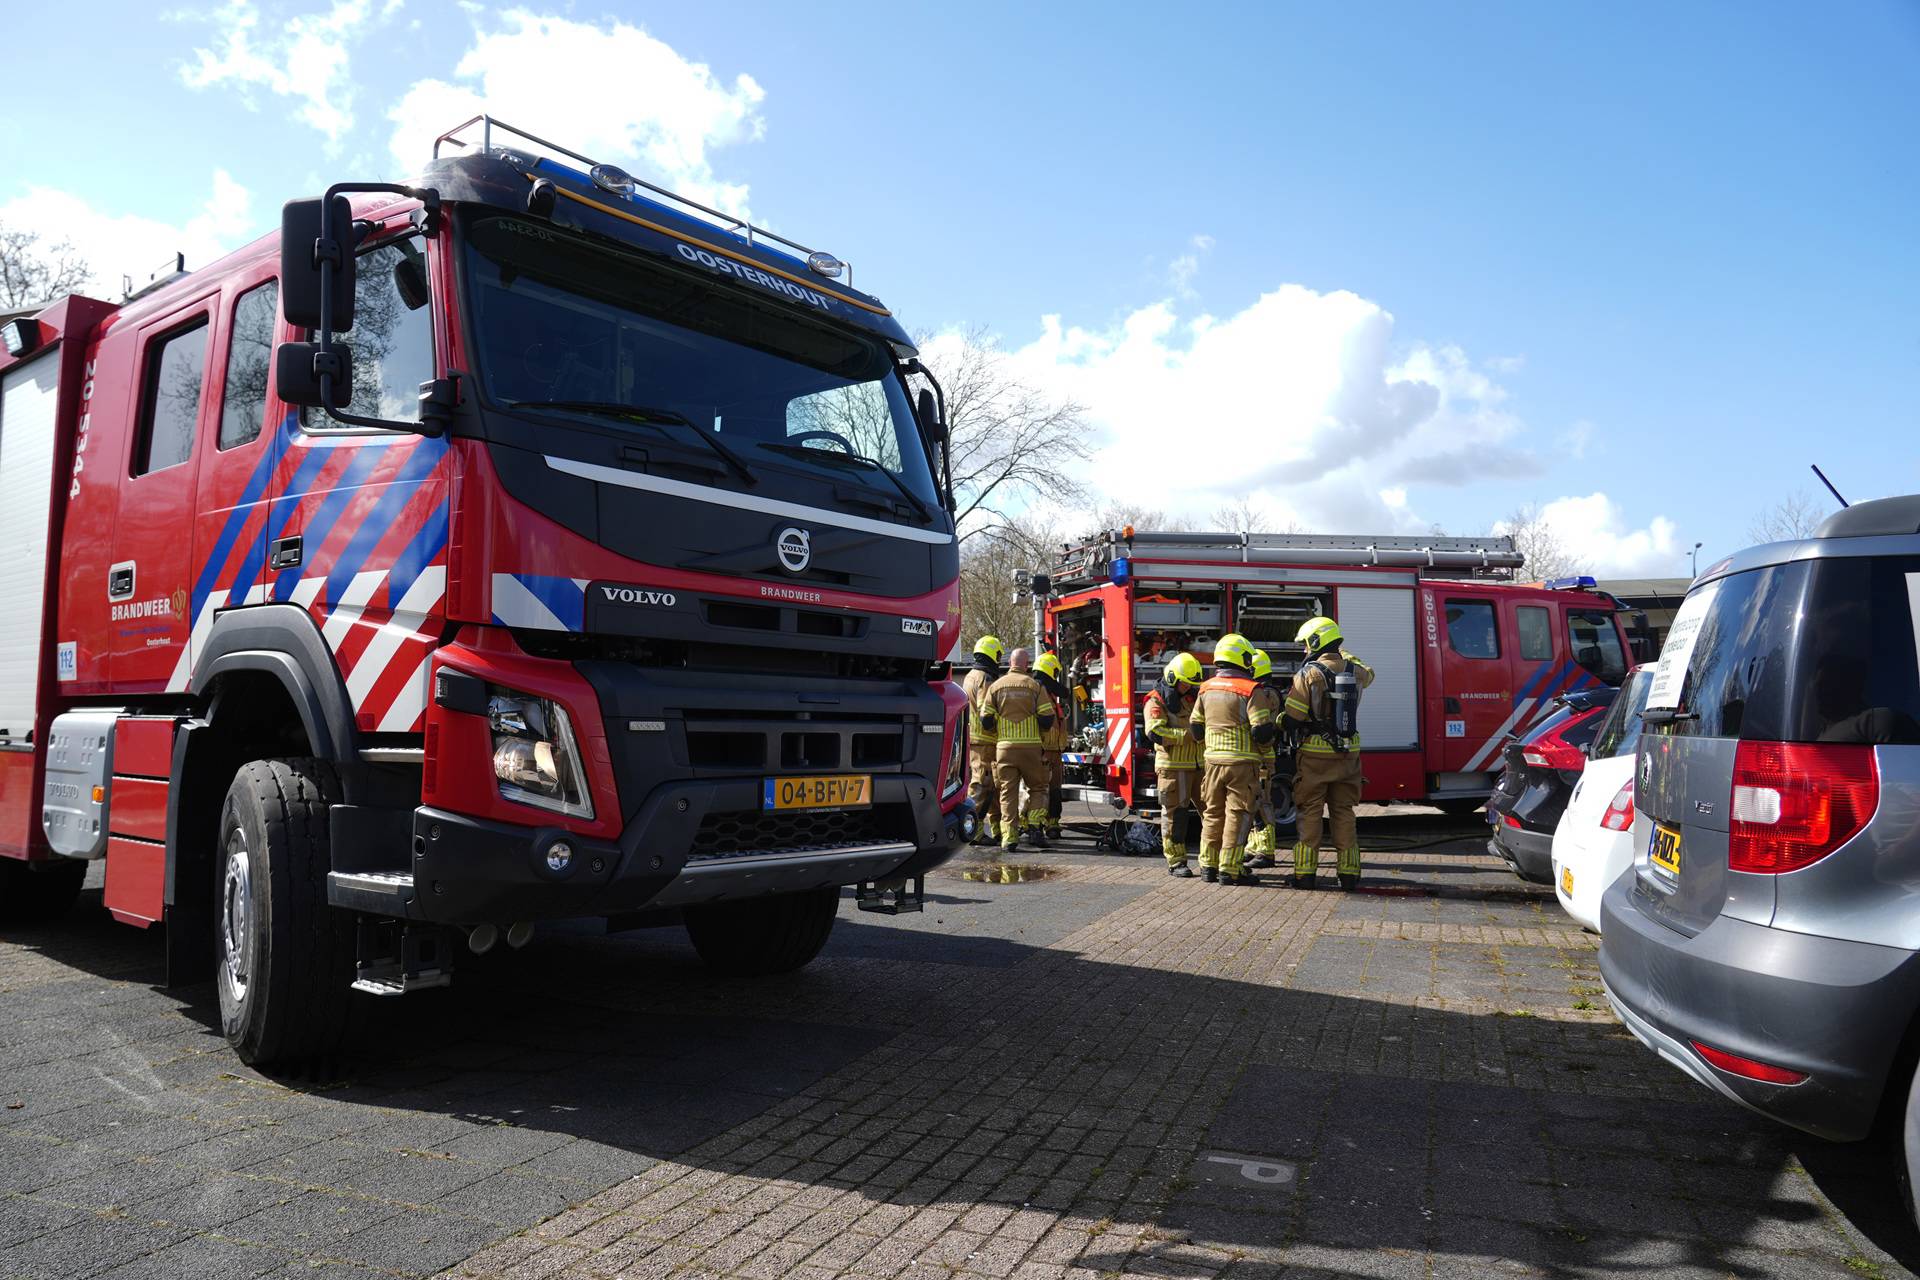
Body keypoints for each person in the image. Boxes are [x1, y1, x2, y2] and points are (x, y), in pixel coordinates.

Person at [1284, 616, 1376, 890]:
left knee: (1310, 812)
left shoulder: (1307, 674)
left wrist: (1279, 721)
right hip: (1348, 755)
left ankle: (1305, 874)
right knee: (1344, 812)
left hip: (1315, 756)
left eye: (1306, 644)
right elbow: (1370, 673)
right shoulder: (1356, 672)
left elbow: (1293, 717)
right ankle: (1348, 874)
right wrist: (1344, 653)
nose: (1304, 650)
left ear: (1316, 641)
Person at [1189, 633, 1275, 885]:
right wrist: (1267, 746)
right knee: (1237, 814)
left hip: (1212, 762)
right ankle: (1230, 868)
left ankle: (1208, 866)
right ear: (1241, 658)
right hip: (1242, 764)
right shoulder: (1251, 689)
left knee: (1212, 813)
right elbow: (1261, 731)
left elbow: (1195, 728)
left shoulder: (1205, 688)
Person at [985, 649, 1055, 855]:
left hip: (1004, 749)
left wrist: (1000, 728)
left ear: (1009, 663)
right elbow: (1047, 718)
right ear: (1027, 665)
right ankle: (1034, 827)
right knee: (1038, 788)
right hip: (1031, 749)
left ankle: (1009, 838)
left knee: (1007, 792)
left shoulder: (996, 686)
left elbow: (985, 719)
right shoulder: (1035, 686)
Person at [1142, 652, 1205, 877]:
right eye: (1184, 683)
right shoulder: (1156, 700)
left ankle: (1211, 860)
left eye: (1191, 684)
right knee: (1175, 816)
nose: (1188, 687)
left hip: (1200, 766)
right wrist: (1186, 736)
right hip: (1173, 767)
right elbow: (1155, 732)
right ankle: (1176, 861)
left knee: (1212, 812)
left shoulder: (1192, 697)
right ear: (1172, 678)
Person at [961, 636, 1004, 845]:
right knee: (982, 785)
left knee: (991, 785)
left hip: (975, 739)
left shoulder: (970, 675)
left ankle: (997, 829)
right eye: (998, 655)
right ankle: (975, 831)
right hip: (985, 740)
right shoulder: (985, 678)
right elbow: (986, 712)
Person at [1244, 647, 1285, 868]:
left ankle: (1266, 852)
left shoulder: (1267, 695)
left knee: (1262, 803)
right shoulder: (1265, 692)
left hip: (1263, 756)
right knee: (1252, 802)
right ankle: (1254, 847)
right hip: (1256, 755)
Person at [1031, 653, 1072, 845]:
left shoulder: (1049, 693)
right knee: (1041, 791)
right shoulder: (1037, 692)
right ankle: (1034, 825)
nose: (1056, 677)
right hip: (1043, 750)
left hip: (1054, 750)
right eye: (1055, 672)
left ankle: (1053, 824)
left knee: (1055, 790)